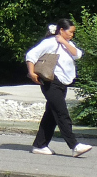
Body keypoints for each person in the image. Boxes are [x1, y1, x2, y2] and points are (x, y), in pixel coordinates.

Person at [25, 18, 92, 157]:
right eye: (70, 32)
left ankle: (40, 145)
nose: (72, 35)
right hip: (50, 82)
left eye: (73, 32)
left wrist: (64, 42)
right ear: (61, 30)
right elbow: (31, 55)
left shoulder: (67, 43)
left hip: (62, 83)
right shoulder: (49, 42)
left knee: (51, 115)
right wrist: (31, 73)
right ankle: (74, 145)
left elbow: (78, 55)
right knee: (62, 113)